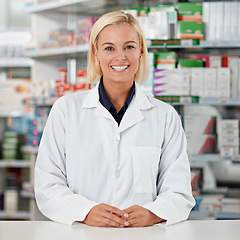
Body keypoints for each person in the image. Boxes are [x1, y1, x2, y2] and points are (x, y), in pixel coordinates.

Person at [34, 10, 195, 228]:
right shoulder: (66, 110)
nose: (120, 57)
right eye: (109, 48)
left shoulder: (165, 116)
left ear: (140, 52)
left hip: (143, 235)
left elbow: (179, 192)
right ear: (96, 53)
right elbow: (47, 184)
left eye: (129, 46)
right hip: (83, 233)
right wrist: (85, 211)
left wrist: (153, 213)